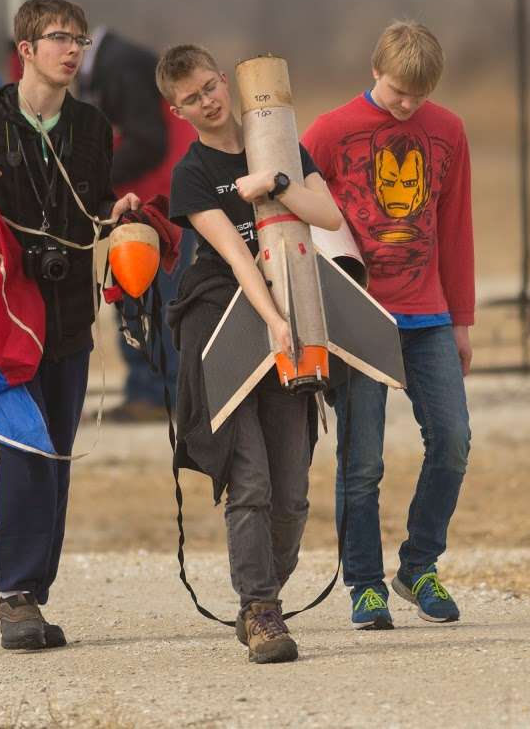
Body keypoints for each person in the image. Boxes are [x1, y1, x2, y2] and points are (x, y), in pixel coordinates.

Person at [0, 0, 140, 651]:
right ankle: (16, 595)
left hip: (71, 314)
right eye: (59, 38)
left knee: (55, 454)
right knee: (25, 449)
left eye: (80, 39)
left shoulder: (91, 126)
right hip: (7, 316)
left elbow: (99, 201)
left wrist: (123, 210)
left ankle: (33, 595)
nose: (73, 50)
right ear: (25, 49)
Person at [159, 44, 343, 664]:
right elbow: (235, 256)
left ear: (224, 80)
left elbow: (327, 213)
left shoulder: (280, 143)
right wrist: (273, 322)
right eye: (193, 98)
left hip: (296, 301)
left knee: (292, 493)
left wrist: (275, 183)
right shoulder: (190, 175)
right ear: (177, 109)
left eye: (212, 86)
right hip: (224, 322)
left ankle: (261, 599)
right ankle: (261, 610)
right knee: (253, 480)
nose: (209, 101)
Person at [302, 19, 474, 630]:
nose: (408, 104)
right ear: (376, 71)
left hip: (428, 314)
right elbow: (293, 218)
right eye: (399, 90)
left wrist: (463, 320)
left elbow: (455, 229)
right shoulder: (328, 132)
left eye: (419, 95)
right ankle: (365, 585)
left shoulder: (448, 131)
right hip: (358, 317)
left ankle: (419, 565)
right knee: (363, 460)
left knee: (452, 443)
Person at [76, 28, 196, 422]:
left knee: (149, 295)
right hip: (159, 197)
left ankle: (157, 394)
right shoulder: (116, 60)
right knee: (146, 295)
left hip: (156, 201)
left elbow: (147, 141)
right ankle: (159, 391)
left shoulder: (119, 66)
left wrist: (91, 179)